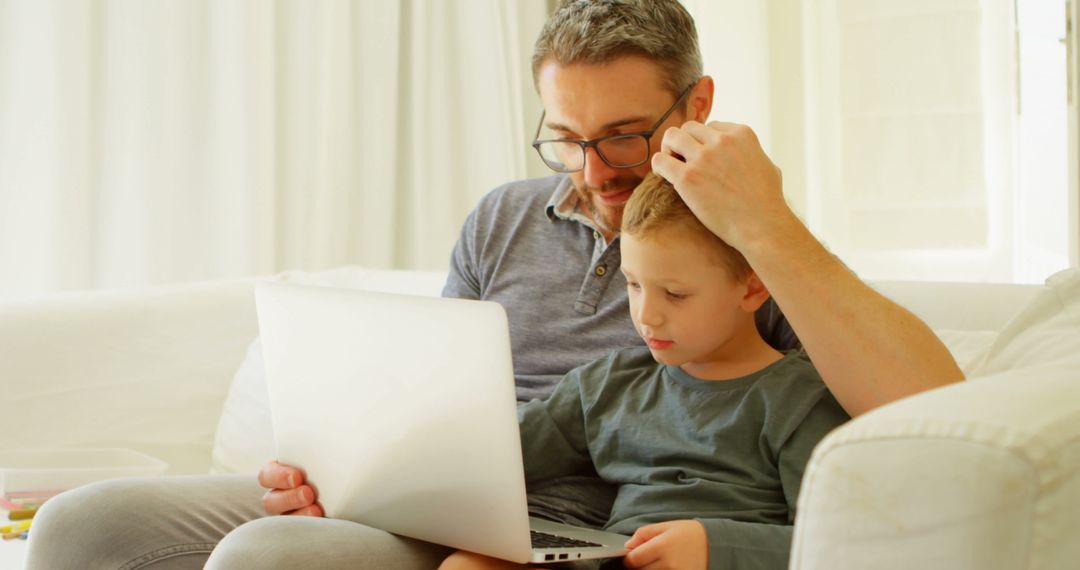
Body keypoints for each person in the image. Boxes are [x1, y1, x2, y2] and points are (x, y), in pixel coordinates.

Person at [26, 1, 961, 568]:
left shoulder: (752, 251)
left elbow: (935, 424)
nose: (594, 170)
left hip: (568, 526)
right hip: (431, 492)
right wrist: (336, 470)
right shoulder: (503, 219)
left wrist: (765, 223)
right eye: (568, 136)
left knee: (271, 560)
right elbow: (426, 398)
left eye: (627, 135)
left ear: (699, 106)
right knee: (81, 527)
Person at [439, 173, 850, 570]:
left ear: (753, 287)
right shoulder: (609, 384)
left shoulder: (803, 401)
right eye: (633, 285)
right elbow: (501, 453)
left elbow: (844, 545)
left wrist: (716, 547)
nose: (646, 315)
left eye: (674, 293)